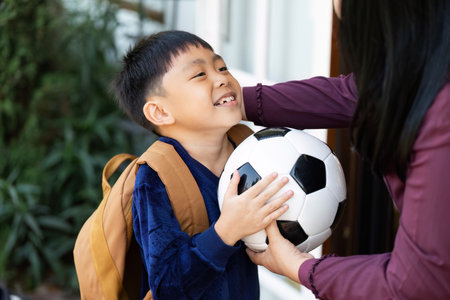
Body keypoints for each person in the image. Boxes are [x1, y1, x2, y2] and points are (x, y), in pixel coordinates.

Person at [243, 0, 450, 299]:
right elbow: (349, 94)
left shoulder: (441, 110)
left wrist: (303, 268)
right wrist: (237, 99)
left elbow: (418, 282)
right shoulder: (423, 64)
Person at [111, 30, 293, 300]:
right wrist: (226, 232)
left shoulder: (248, 151)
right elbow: (166, 287)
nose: (222, 78)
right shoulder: (156, 178)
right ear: (160, 111)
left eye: (222, 67)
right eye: (200, 75)